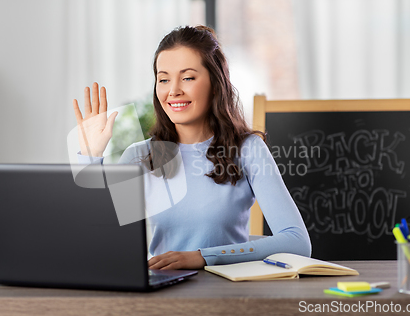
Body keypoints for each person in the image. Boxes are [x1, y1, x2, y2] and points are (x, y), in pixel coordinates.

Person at [73, 25, 311, 270]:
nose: (173, 90)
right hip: (161, 294)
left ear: (216, 83)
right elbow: (94, 238)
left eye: (187, 77)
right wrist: (91, 158)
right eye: (163, 79)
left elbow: (297, 242)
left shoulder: (248, 150)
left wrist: (203, 256)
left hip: (230, 292)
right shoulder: (140, 156)